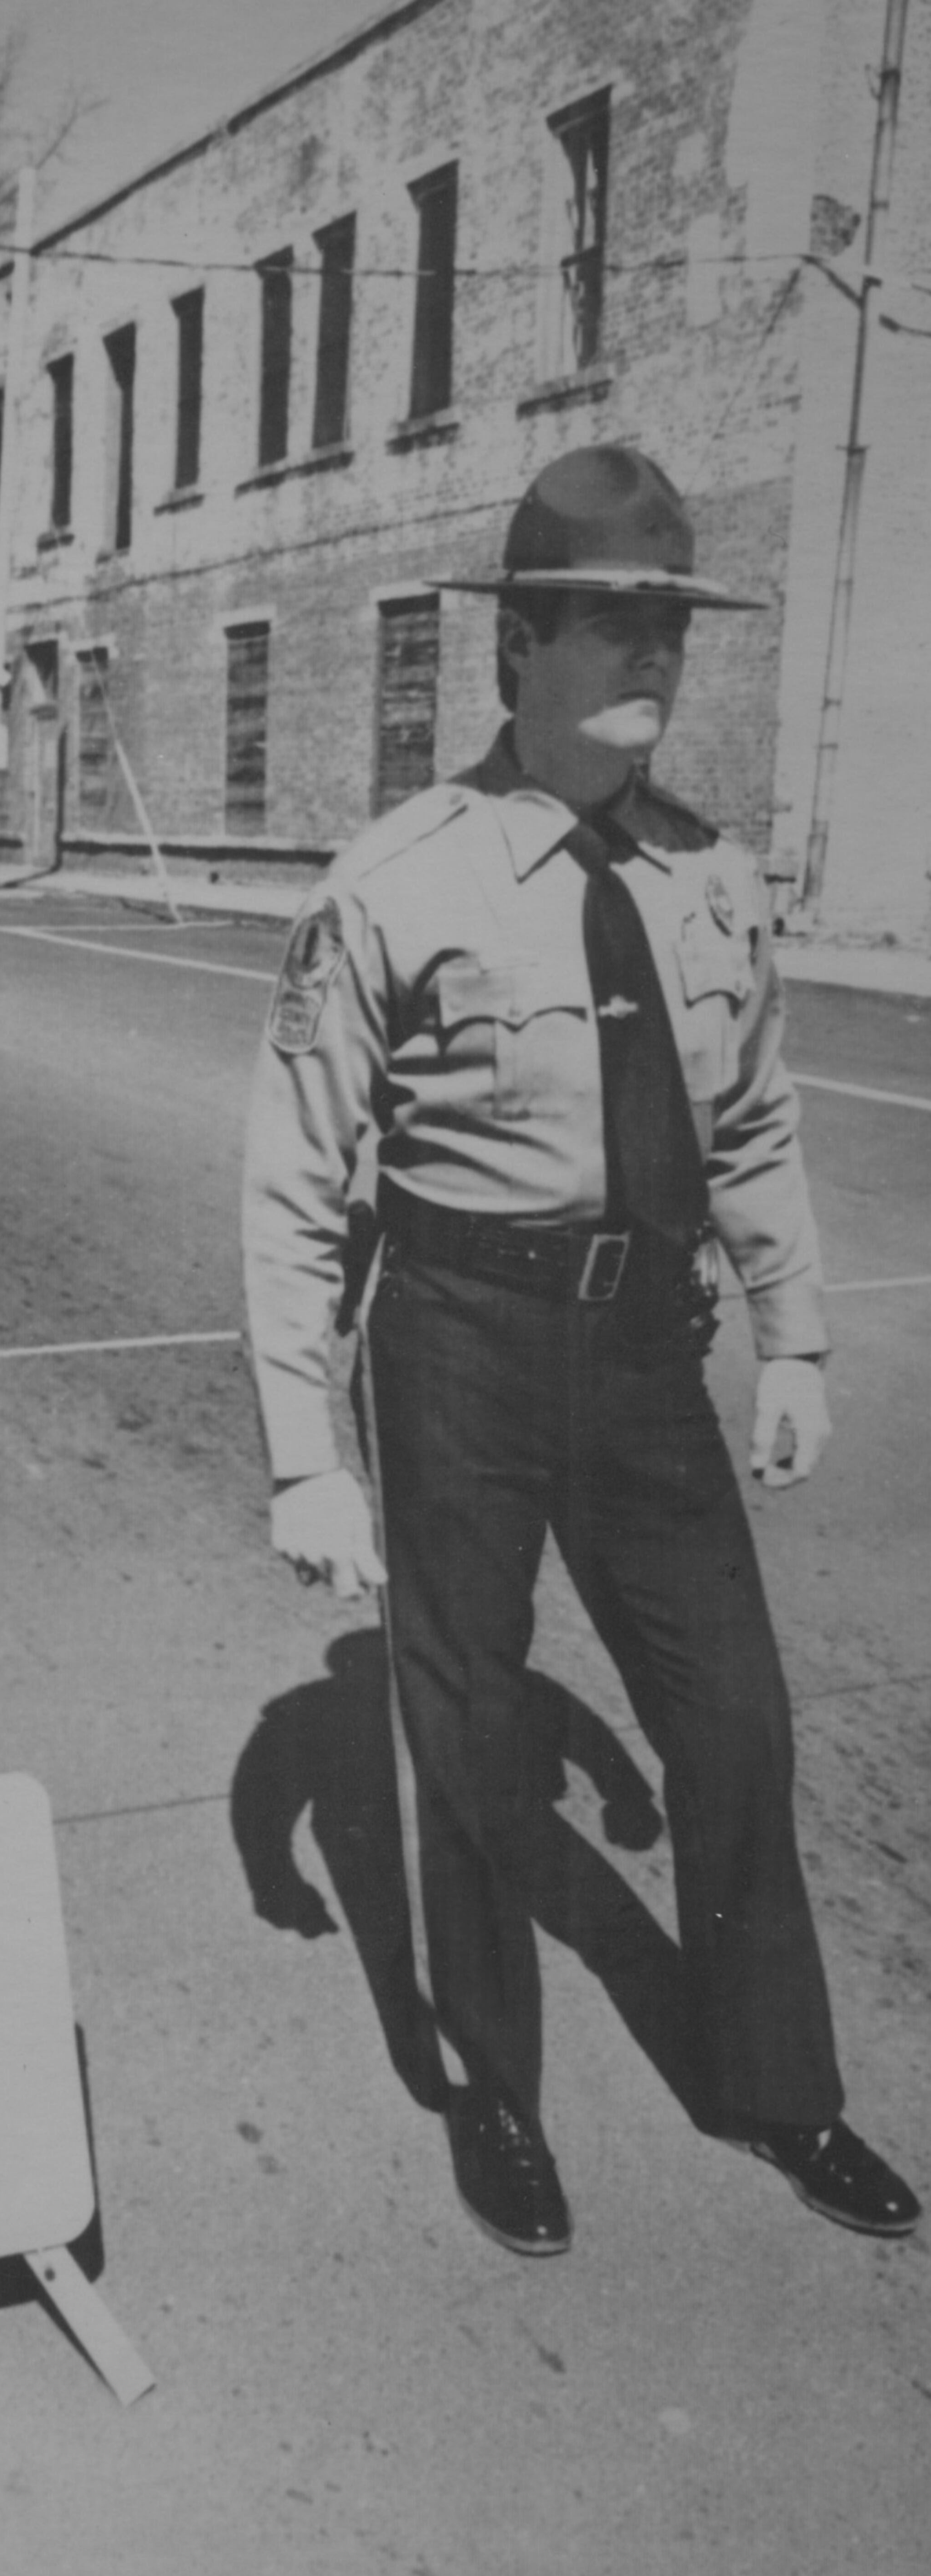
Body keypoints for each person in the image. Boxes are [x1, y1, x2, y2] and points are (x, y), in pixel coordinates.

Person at [241, 444, 919, 2257]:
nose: (650, 655)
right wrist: (307, 1448)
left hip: (645, 1348)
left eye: (669, 623)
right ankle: (495, 2091)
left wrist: (795, 1337)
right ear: (517, 651)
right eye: (610, 620)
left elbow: (757, 1122)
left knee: (734, 1721)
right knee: (465, 1735)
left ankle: (781, 2082)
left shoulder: (709, 877)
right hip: (457, 1335)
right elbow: (300, 1178)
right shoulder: (400, 876)